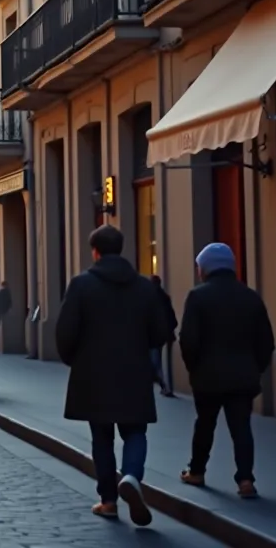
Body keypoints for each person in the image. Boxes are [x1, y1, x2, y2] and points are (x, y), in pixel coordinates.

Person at [56, 225, 169, 527]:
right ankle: (131, 476)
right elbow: (161, 331)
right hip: (133, 371)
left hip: (93, 373)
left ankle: (108, 501)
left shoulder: (81, 285)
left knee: (101, 436)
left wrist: (74, 360)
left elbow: (66, 332)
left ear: (95, 251)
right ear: (121, 249)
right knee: (135, 431)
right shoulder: (144, 287)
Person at [178, 243, 275, 499]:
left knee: (205, 425)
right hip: (243, 376)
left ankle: (197, 471)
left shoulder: (198, 297)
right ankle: (245, 479)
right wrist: (255, 368)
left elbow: (188, 339)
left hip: (208, 376)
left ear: (207, 268)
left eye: (200, 266)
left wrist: (194, 368)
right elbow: (266, 342)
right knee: (241, 427)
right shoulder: (250, 297)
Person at [150, 274, 178, 396]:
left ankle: (165, 386)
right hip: (167, 334)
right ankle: (167, 386)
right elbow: (172, 318)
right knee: (165, 363)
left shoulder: (150, 298)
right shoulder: (165, 297)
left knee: (156, 363)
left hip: (156, 335)